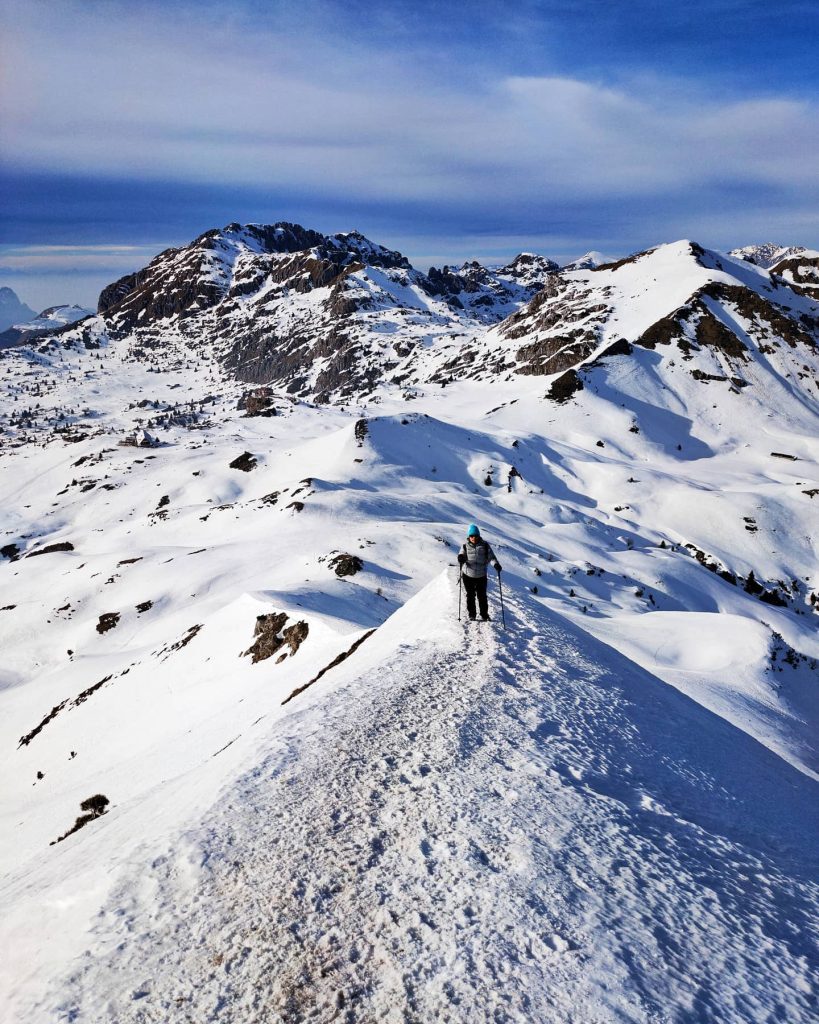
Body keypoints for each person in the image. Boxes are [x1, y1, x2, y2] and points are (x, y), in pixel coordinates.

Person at [457, 523, 502, 620]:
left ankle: (484, 615)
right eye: (471, 536)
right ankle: (472, 614)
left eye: (475, 535)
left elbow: (492, 557)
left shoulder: (485, 546)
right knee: (470, 595)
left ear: (478, 535)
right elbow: (462, 554)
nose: (473, 537)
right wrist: (461, 558)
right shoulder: (465, 546)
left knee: (482, 596)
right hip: (468, 575)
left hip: (481, 575)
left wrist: (496, 565)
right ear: (469, 536)